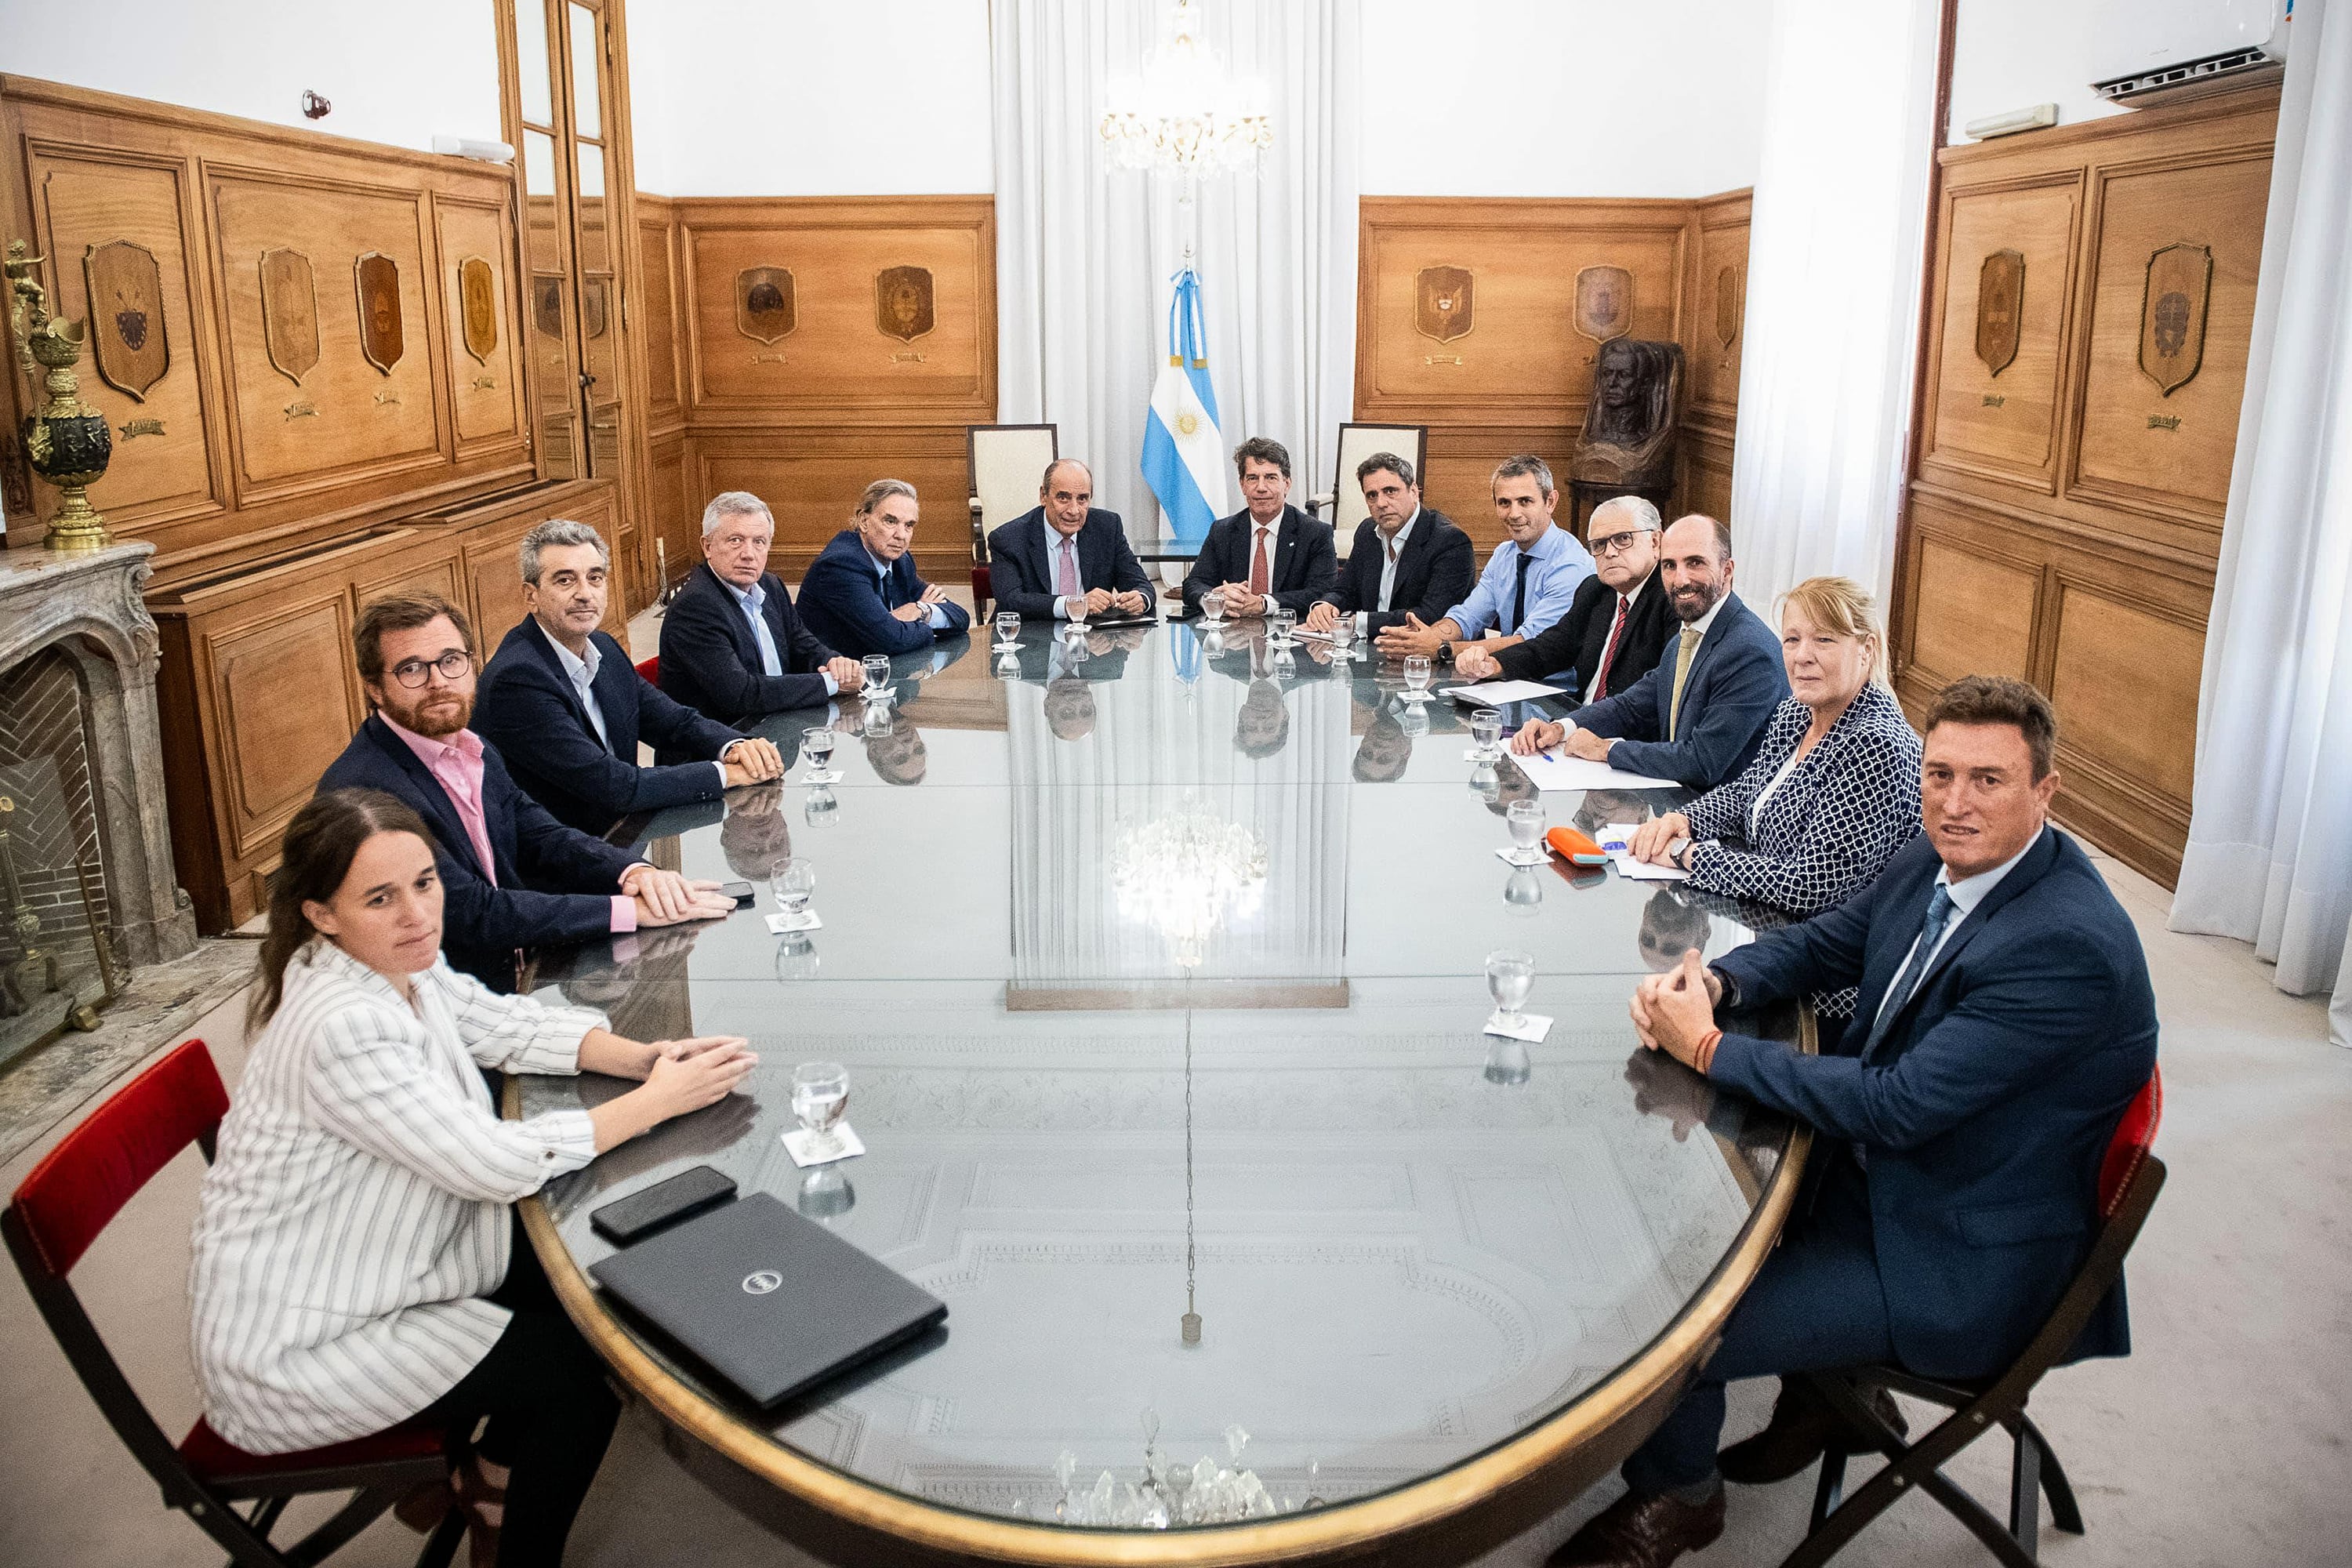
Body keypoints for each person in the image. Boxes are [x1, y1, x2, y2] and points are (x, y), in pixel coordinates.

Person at [1549, 677, 2158, 1568]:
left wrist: (1711, 1049)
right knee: (1649, 1210)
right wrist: (1718, 982)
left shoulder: (2065, 944)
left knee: (1669, 1314)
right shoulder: (1934, 854)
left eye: (1988, 779)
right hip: (1894, 1172)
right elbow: (1830, 940)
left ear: (2046, 791)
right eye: (1940, 772)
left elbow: (1896, 1101)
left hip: (1952, 1247)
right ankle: (1824, 1402)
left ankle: (1679, 1496)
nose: (1955, 802)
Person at [189, 788, 757, 1568]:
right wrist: (657, 1105)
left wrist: (643, 1059)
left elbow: (501, 1021)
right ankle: (512, 1535)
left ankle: (485, 1474)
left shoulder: (391, 962)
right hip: (302, 1340)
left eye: (425, 882)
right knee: (580, 1375)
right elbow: (490, 1161)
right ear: (321, 912)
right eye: (380, 897)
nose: (419, 913)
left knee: (587, 1285)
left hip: (374, 1260)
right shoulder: (342, 1023)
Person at [318, 593, 735, 989]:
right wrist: (628, 911)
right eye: (411, 669)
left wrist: (634, 873)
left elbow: (541, 835)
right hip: (444, 1004)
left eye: (451, 661)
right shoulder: (368, 790)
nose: (438, 682)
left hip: (515, 971)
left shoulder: (471, 747)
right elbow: (473, 912)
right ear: (374, 688)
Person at [1625, 577, 1922, 1030]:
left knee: (1671, 1022)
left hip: (1828, 989)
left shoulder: (1875, 743)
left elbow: (1812, 884)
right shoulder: (1796, 712)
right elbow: (1746, 795)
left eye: (1824, 640)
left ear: (1866, 647)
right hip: (1771, 940)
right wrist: (1682, 818)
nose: (1802, 655)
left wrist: (1691, 855)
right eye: (1792, 639)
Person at [474, 520, 784, 836]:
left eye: (595, 578)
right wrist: (726, 775)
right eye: (565, 581)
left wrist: (733, 746)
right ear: (531, 596)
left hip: (620, 832)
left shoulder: (603, 646)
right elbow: (611, 785)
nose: (584, 594)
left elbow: (673, 721)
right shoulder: (517, 680)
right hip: (563, 856)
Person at [1511, 514, 1787, 789]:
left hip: (1721, 822)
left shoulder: (1749, 651)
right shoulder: (1687, 637)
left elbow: (1702, 762)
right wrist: (1560, 728)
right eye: (1669, 566)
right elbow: (1630, 706)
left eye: (1695, 563)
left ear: (1727, 570)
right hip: (1677, 804)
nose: (1681, 579)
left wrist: (1606, 750)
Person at [658, 491, 868, 725]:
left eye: (759, 542)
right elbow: (740, 694)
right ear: (708, 547)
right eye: (735, 540)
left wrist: (834, 663)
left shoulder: (770, 584)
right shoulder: (695, 607)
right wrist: (832, 683)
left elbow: (801, 643)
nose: (749, 554)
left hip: (782, 725)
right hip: (725, 745)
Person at [1374, 453, 1594, 662]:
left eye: (1525, 501)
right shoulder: (1504, 555)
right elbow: (1468, 617)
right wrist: (1426, 638)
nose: (1514, 514)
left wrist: (1442, 648)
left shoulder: (1570, 564)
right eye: (1504, 503)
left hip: (1557, 692)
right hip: (1506, 681)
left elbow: (1529, 642)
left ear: (1551, 502)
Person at [1453, 494, 1670, 701]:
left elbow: (1655, 691)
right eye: (1599, 544)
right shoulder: (1596, 590)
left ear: (1655, 542)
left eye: (1623, 539)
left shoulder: (1671, 600)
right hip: (1579, 716)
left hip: (1625, 731)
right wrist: (1494, 664)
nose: (1610, 552)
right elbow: (1550, 648)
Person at [1304, 452, 1475, 640]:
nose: (1381, 503)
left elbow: (1430, 615)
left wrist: (1357, 622)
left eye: (1390, 491)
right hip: (1372, 650)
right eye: (1372, 495)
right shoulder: (1368, 531)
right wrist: (1328, 605)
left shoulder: (1450, 541)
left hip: (1430, 658)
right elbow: (1345, 589)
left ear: (1414, 491)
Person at [796, 478, 974, 657]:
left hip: (885, 673)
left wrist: (921, 610)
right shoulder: (841, 565)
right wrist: (916, 627)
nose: (901, 536)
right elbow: (893, 641)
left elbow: (960, 618)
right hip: (837, 678)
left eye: (909, 525)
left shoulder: (900, 561)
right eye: (890, 522)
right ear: (864, 521)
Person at [1179, 437, 1338, 618]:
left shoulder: (1315, 533)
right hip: (1233, 636)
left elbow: (1323, 593)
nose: (1261, 487)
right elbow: (1193, 584)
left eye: (1270, 478)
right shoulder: (1223, 530)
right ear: (1242, 485)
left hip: (1289, 635)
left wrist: (1264, 603)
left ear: (1286, 484)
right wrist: (1214, 598)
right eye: (1253, 478)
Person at [986, 459, 1152, 622]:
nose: (1074, 511)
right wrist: (1073, 605)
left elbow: (1141, 584)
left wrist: (1140, 599)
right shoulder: (1008, 539)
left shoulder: (1107, 527)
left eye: (1082, 499)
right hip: (1030, 638)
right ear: (1043, 496)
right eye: (1063, 498)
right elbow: (1011, 601)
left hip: (1092, 641)